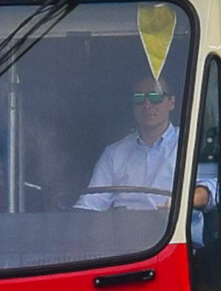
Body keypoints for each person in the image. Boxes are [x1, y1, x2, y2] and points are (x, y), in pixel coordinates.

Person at [77, 81, 198, 211]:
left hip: (175, 223)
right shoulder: (113, 153)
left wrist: (180, 203)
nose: (147, 105)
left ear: (171, 102)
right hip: (123, 223)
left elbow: (208, 190)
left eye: (155, 96)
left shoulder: (190, 143)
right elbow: (91, 204)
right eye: (138, 98)